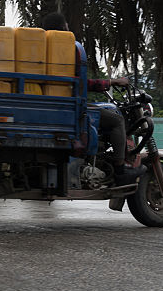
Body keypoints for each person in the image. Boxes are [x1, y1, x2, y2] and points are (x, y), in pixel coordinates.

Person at [41, 12, 145, 185]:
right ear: (62, 29)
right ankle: (120, 170)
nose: (69, 28)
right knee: (117, 120)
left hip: (57, 104)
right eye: (66, 25)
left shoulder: (44, 50)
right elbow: (84, 83)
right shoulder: (65, 51)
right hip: (69, 106)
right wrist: (113, 82)